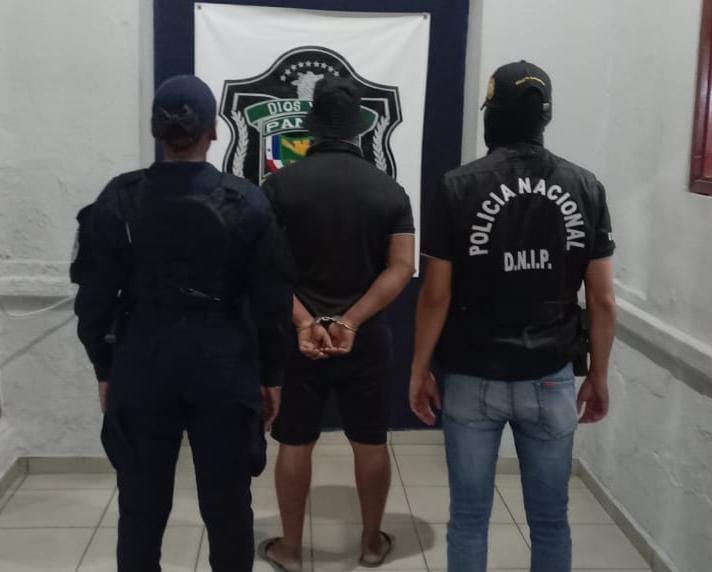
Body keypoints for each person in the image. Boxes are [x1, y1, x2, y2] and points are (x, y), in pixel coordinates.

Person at [72, 75, 292, 572]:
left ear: (156, 129)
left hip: (142, 360)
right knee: (228, 509)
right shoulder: (248, 202)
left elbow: (94, 302)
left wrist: (105, 368)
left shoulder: (118, 198)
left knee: (140, 510)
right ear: (213, 130)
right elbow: (274, 306)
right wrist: (271, 376)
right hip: (225, 363)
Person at [409, 61, 617, 572]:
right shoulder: (585, 186)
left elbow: (436, 295)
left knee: (469, 519)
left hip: (472, 373)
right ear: (545, 117)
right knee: (551, 521)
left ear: (492, 116)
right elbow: (603, 299)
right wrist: (600, 376)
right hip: (551, 374)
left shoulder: (457, 186)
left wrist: (419, 369)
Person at [258, 77, 416, 572]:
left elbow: (262, 269)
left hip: (298, 339)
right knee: (370, 441)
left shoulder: (278, 186)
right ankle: (370, 544)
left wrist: (306, 322)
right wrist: (349, 321)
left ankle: (290, 549)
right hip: (363, 339)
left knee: (294, 441)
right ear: (358, 129)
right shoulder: (389, 190)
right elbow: (402, 267)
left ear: (311, 127)